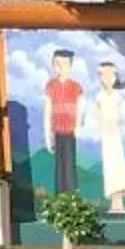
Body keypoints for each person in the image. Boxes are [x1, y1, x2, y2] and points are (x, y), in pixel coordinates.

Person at [96, 59, 125, 216]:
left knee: (119, 166)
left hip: (116, 136)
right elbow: (99, 115)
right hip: (107, 136)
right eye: (105, 75)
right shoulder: (99, 97)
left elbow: (121, 115)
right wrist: (107, 123)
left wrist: (120, 122)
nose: (109, 79)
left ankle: (120, 202)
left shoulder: (117, 97)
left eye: (112, 75)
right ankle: (114, 202)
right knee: (110, 168)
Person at [43, 47, 83, 195]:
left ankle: (72, 196)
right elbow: (47, 111)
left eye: (64, 64)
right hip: (57, 131)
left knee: (69, 164)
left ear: (70, 66)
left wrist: (78, 127)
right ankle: (60, 196)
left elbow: (80, 109)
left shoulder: (75, 86)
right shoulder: (51, 85)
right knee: (59, 166)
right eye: (57, 64)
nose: (60, 68)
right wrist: (48, 136)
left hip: (70, 131)